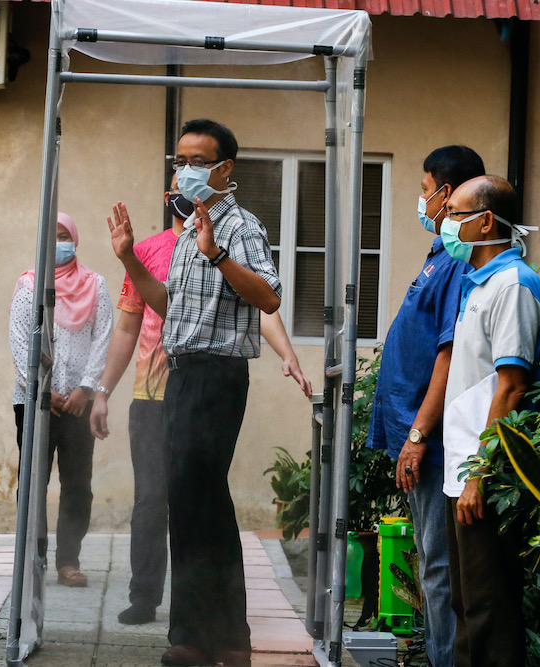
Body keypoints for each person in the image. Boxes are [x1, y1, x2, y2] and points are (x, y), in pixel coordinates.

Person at [91, 175, 311, 626]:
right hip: (153, 391)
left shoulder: (223, 238)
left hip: (202, 384)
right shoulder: (158, 247)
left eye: (195, 167)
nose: (184, 183)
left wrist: (287, 353)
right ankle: (146, 595)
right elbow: (130, 326)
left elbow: (260, 306)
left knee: (197, 498)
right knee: (153, 499)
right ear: (168, 194)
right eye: (177, 174)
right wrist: (103, 391)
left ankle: (204, 615)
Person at [107, 118, 281, 667]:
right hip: (180, 373)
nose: (186, 171)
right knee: (190, 504)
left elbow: (270, 299)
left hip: (217, 374)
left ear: (225, 168)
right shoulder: (187, 230)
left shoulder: (240, 228)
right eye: (180, 160)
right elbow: (169, 308)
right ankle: (211, 638)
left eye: (198, 161)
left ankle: (208, 638)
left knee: (198, 500)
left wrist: (217, 254)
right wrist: (129, 257)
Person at [365, 145, 484, 666]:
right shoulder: (440, 254)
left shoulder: (458, 265)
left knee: (438, 566)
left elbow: (448, 354)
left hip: (431, 443)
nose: (422, 198)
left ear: (449, 192)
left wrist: (416, 436)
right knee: (432, 563)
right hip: (413, 432)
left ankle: (444, 661)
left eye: (425, 187)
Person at [441, 175, 540, 666]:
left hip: (486, 476)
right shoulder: (478, 283)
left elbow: (511, 386)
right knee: (466, 602)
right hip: (461, 474)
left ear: (486, 221)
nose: (445, 222)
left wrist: (481, 474)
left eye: (456, 213)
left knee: (489, 606)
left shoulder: (513, 285)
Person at [10, 212, 113, 588]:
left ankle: (68, 561)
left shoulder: (96, 284)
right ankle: (32, 560)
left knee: (77, 484)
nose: (58, 243)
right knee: (33, 482)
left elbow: (103, 337)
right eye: (50, 236)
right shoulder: (29, 285)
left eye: (64, 235)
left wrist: (87, 388)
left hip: (78, 404)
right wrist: (42, 391)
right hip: (35, 401)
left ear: (76, 238)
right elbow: (20, 342)